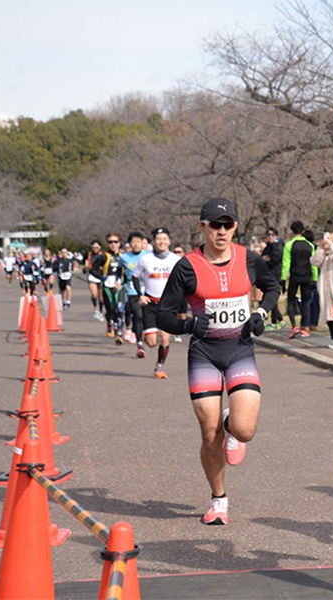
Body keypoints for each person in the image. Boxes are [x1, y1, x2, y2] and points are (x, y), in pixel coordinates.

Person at [156, 198, 280, 525]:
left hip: (239, 348)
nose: (222, 231)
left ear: (235, 227)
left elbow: (271, 287)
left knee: (244, 429)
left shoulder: (249, 258)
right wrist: (188, 325)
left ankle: (232, 426)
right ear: (202, 227)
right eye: (215, 225)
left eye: (228, 225)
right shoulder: (187, 265)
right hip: (205, 354)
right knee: (208, 431)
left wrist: (260, 313)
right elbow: (163, 315)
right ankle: (219, 499)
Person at [133, 227, 182, 378]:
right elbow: (135, 277)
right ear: (153, 241)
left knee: (165, 338)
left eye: (165, 239)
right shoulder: (145, 259)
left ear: (169, 241)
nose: (162, 242)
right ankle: (143, 338)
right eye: (159, 239)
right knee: (152, 343)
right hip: (150, 304)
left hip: (167, 305)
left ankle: (159, 367)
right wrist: (140, 295)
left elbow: (183, 280)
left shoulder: (176, 259)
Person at [282, 221, 316, 339]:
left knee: (291, 300)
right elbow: (314, 264)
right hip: (307, 276)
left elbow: (286, 263)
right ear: (302, 231)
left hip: (295, 276)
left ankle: (294, 326)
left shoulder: (289, 245)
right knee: (306, 302)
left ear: (292, 231)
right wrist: (315, 279)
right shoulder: (310, 245)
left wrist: (282, 279)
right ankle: (304, 327)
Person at [121, 232, 150, 351]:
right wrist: (118, 281)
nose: (136, 244)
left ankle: (141, 333)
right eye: (133, 242)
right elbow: (119, 271)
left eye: (138, 241)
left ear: (142, 243)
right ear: (129, 244)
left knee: (144, 317)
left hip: (148, 290)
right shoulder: (124, 257)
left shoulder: (149, 256)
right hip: (132, 290)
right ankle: (140, 344)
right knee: (138, 315)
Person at [99, 233, 126, 343]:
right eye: (110, 242)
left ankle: (119, 333)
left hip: (120, 284)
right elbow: (93, 269)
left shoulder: (124, 256)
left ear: (119, 243)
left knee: (120, 309)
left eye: (115, 242)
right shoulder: (104, 256)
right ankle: (110, 322)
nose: (113, 244)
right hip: (107, 285)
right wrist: (101, 278)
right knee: (110, 309)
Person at [260, 227, 285, 330]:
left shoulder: (278, 246)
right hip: (268, 275)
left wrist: (266, 260)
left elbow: (274, 259)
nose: (270, 237)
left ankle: (275, 321)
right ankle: (280, 320)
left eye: (272, 235)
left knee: (272, 298)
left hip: (276, 275)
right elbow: (262, 258)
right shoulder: (268, 247)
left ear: (276, 236)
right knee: (269, 298)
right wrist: (265, 259)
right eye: (268, 235)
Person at [85, 240, 106, 321]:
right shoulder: (88, 254)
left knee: (101, 297)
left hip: (101, 276)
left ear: (100, 247)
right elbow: (85, 262)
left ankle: (101, 311)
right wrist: (85, 267)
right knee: (94, 294)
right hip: (92, 276)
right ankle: (96, 309)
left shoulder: (103, 255)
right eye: (93, 247)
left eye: (97, 247)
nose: (95, 249)